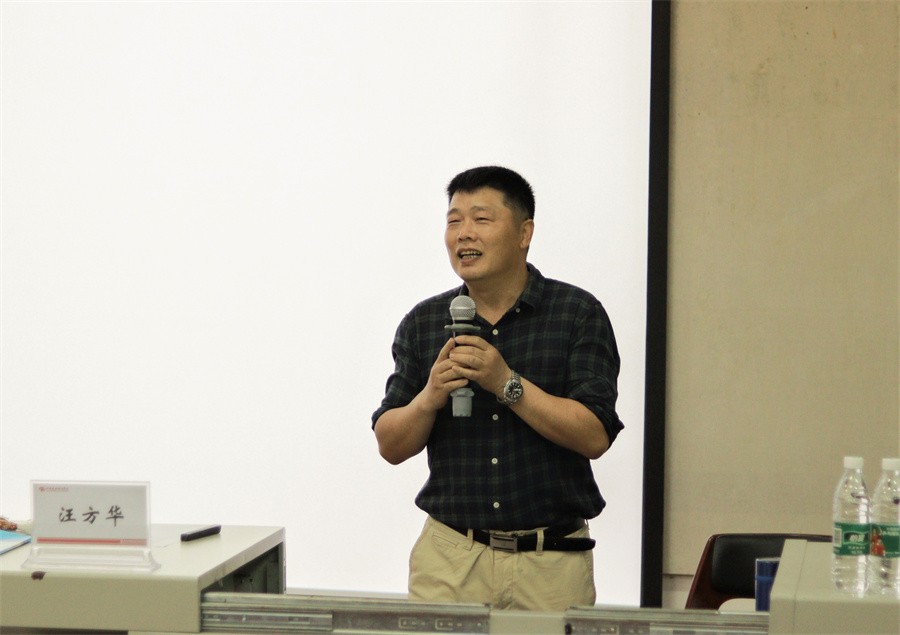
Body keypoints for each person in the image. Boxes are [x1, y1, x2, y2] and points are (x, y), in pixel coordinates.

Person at [371, 166, 624, 611]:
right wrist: (429, 397)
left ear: (524, 233)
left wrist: (507, 383)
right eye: (454, 221)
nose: (464, 233)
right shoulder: (423, 322)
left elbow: (594, 435)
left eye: (481, 219)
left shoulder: (577, 313)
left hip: (550, 564)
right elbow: (389, 444)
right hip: (450, 560)